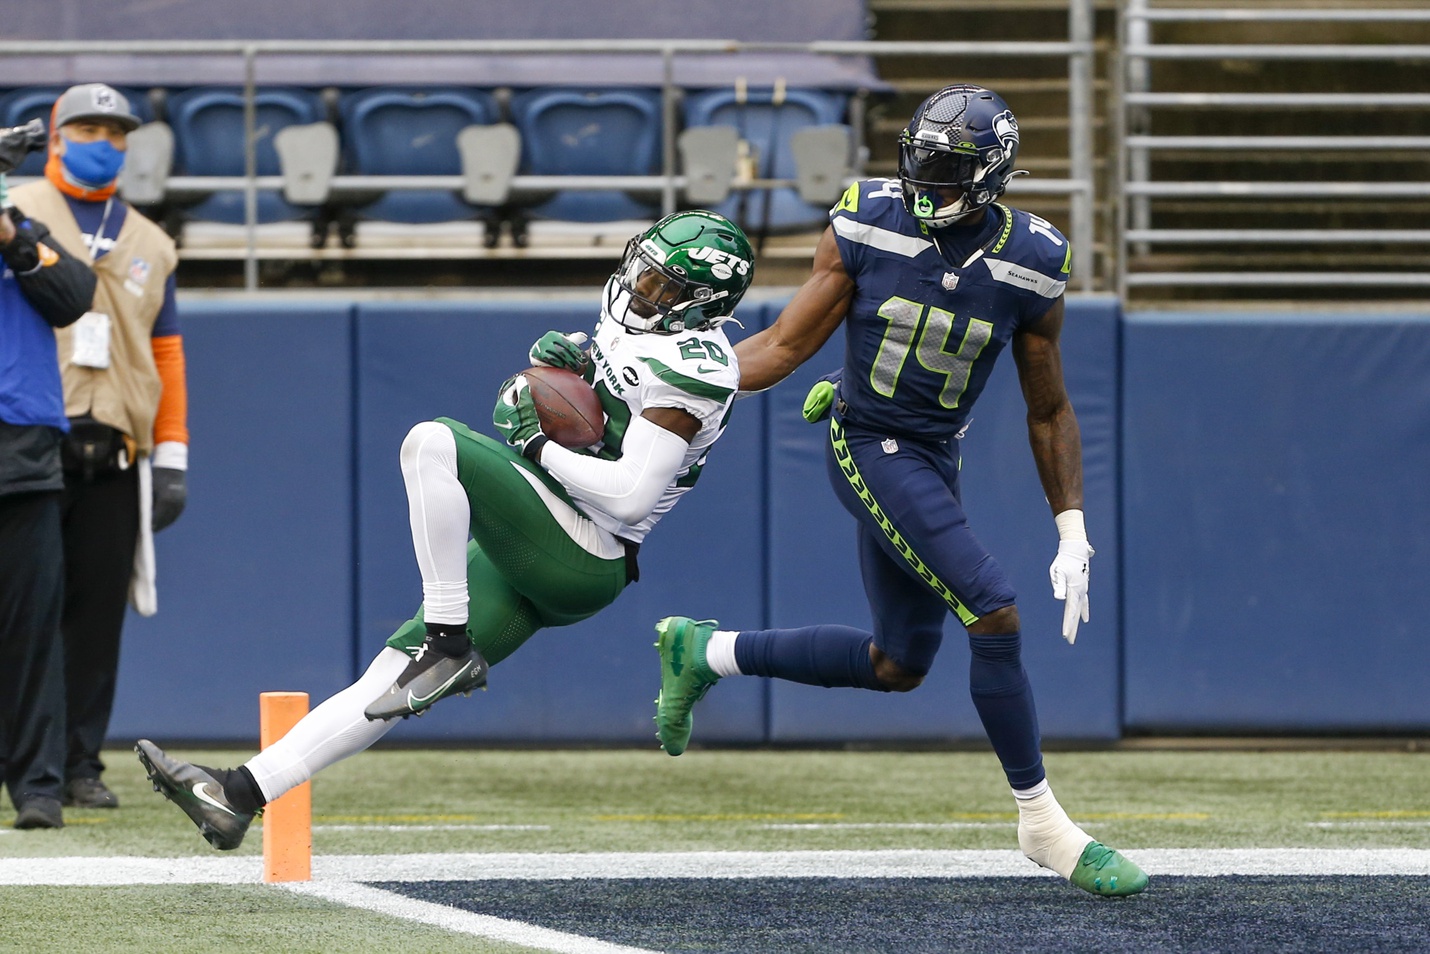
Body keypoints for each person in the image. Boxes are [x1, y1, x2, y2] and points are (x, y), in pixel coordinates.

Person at [652, 86, 1150, 897]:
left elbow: (1049, 408)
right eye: (919, 160)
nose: (926, 181)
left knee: (898, 664)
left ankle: (701, 650)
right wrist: (655, 379)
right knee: (993, 607)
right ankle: (1044, 826)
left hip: (932, 455)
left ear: (993, 177)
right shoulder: (867, 218)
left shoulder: (1034, 258)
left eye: (948, 169)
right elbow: (779, 346)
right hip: (865, 441)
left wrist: (1071, 526)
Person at [134, 210, 754, 850]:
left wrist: (536, 443)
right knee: (388, 680)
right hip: (553, 533)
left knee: (432, 442)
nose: (637, 288)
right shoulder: (639, 333)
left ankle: (448, 638)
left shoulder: (693, 366)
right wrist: (563, 370)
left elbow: (629, 496)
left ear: (699, 304)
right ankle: (236, 795)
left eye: (659, 285)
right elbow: (591, 402)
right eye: (640, 270)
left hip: (587, 551)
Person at [10, 83, 189, 811]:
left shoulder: (149, 238)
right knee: (23, 609)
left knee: (95, 615)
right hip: (28, 436)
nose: (104, 140)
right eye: (88, 126)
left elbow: (167, 353)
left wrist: (171, 452)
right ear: (55, 134)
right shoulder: (16, 204)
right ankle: (26, 758)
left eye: (116, 131)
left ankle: (81, 760)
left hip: (114, 443)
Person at [0, 121, 101, 830]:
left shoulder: (22, 231)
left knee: (31, 631)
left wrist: (11, 234)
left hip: (22, 457)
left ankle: (38, 786)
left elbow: (75, 295)